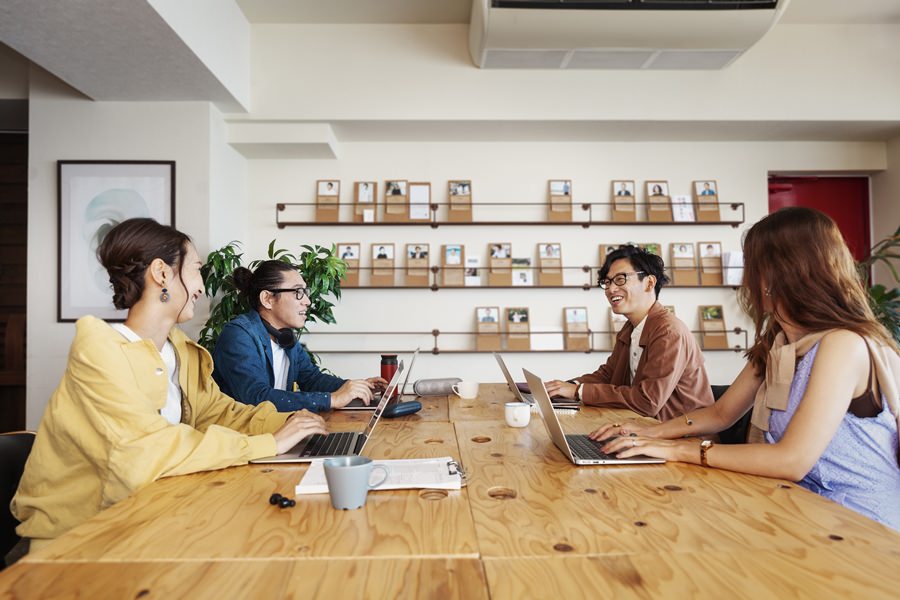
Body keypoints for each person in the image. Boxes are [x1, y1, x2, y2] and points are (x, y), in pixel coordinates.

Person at [10, 219, 327, 556]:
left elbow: (218, 411)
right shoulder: (99, 351)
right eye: (196, 271)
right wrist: (267, 444)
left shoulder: (179, 349)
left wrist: (292, 425)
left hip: (152, 515)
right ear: (162, 273)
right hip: (81, 538)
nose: (202, 287)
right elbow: (143, 450)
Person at [592, 208, 900, 530]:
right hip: (802, 509)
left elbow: (791, 460)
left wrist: (676, 449)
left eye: (751, 265)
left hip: (862, 526)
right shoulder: (778, 341)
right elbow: (721, 414)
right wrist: (646, 432)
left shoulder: (842, 345)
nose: (745, 278)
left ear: (782, 271)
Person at [545, 245, 714, 420]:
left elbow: (648, 401)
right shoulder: (631, 327)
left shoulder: (668, 332)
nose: (611, 289)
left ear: (649, 283)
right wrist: (566, 386)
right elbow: (608, 375)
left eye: (620, 279)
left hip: (684, 438)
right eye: (607, 282)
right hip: (646, 429)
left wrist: (578, 391)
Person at [212, 260, 386, 412]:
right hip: (243, 440)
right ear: (267, 299)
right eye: (297, 293)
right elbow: (256, 398)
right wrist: (332, 399)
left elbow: (312, 379)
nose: (307, 301)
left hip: (274, 431)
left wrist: (356, 387)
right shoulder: (238, 336)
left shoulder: (285, 338)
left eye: (305, 292)